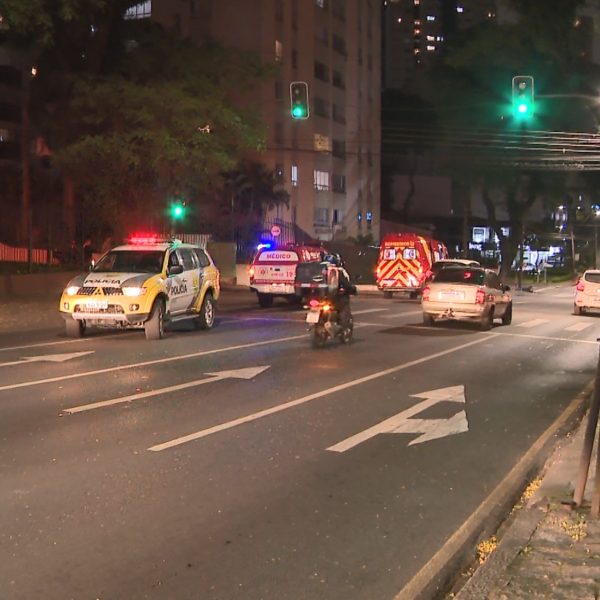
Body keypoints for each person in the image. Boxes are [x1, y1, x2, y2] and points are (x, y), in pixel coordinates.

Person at [320, 253, 356, 330]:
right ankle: (343, 326)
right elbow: (346, 284)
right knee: (344, 306)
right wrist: (352, 290)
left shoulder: (319, 269)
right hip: (334, 298)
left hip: (319, 298)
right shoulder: (338, 271)